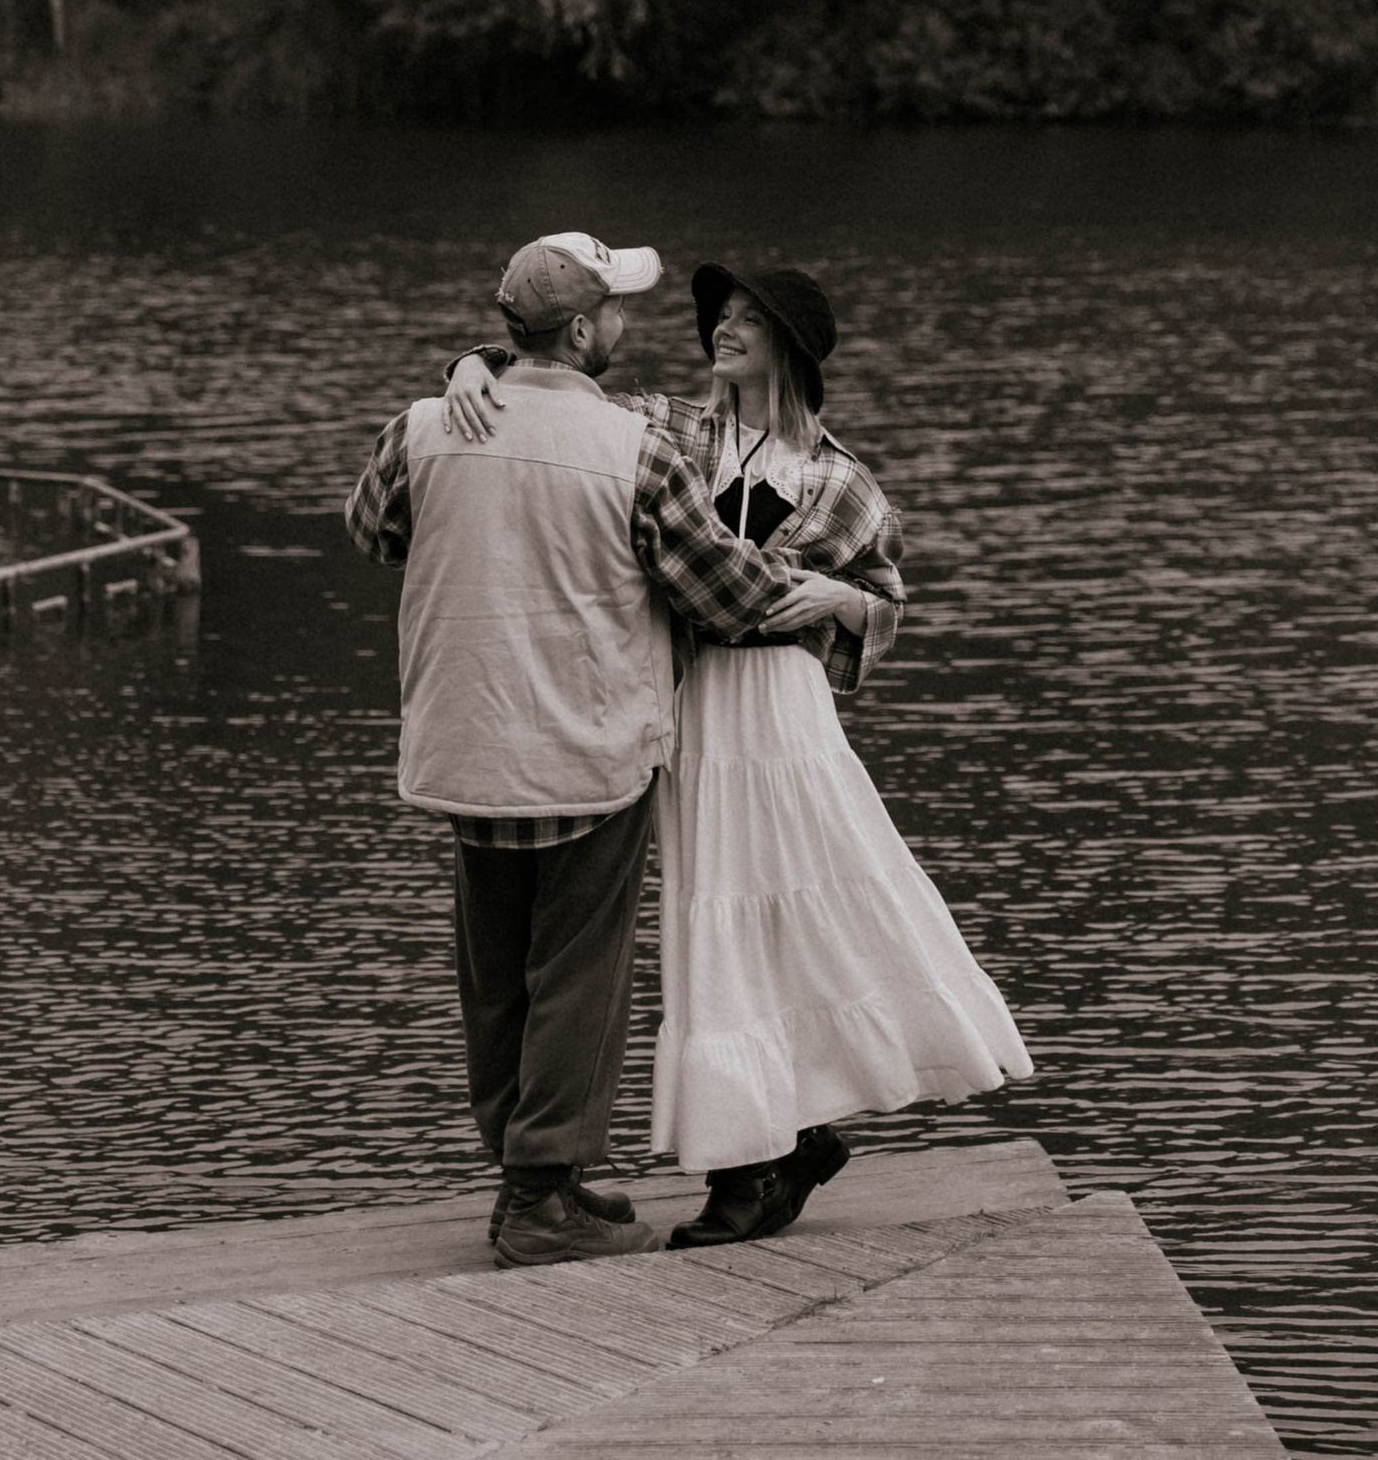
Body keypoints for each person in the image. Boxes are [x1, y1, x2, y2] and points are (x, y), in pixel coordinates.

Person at [443, 257, 1030, 1250]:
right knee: (711, 913)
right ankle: (770, 1149)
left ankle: (762, 1157)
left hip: (780, 709)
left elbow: (887, 595)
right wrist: (472, 365)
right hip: (682, 702)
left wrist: (848, 602)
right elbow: (553, 386)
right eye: (721, 315)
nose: (723, 328)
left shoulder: (842, 479)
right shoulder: (672, 429)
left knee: (794, 902)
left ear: (790, 346)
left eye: (749, 319)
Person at [344, 229, 857, 1270]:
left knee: (493, 975)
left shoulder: (422, 428)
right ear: (581, 330)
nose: (631, 322)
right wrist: (840, 602)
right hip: (585, 752)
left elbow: (373, 530)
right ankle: (543, 1196)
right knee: (577, 973)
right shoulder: (638, 448)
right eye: (618, 307)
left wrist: (461, 379)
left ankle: (527, 1175)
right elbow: (722, 594)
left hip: (463, 748)